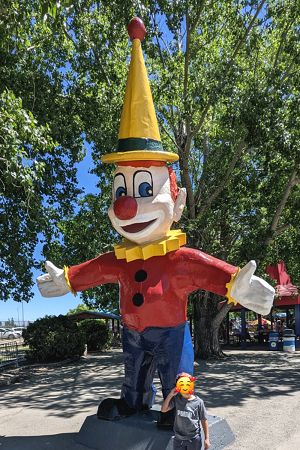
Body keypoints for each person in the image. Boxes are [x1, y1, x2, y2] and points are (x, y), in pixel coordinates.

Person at [161, 373, 210, 450]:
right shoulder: (177, 399)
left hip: (193, 439)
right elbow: (163, 409)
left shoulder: (198, 402)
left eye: (188, 385)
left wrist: (207, 438)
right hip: (178, 439)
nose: (185, 388)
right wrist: (170, 395)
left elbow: (204, 420)